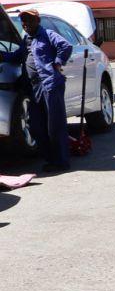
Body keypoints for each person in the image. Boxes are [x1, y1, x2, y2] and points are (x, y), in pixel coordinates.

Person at [0, 9, 73, 172]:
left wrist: (58, 63)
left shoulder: (47, 34)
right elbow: (17, 56)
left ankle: (61, 162)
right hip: (33, 87)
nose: (26, 24)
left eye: (29, 20)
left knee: (55, 124)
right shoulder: (27, 39)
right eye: (24, 21)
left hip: (50, 84)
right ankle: (50, 159)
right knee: (36, 125)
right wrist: (2, 55)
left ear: (37, 21)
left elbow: (65, 46)